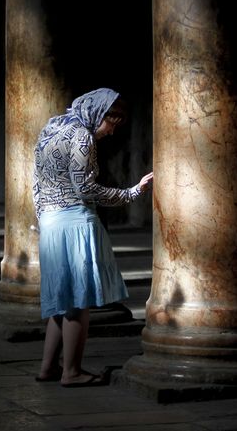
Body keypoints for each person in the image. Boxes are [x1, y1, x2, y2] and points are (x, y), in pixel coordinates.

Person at [32, 87, 153, 387]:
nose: (111, 132)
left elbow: (36, 182)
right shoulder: (82, 137)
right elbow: (85, 188)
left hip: (50, 222)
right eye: (112, 124)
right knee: (77, 302)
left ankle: (48, 368)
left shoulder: (52, 127)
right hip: (74, 221)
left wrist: (43, 218)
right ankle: (71, 372)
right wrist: (131, 192)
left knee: (62, 301)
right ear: (101, 115)